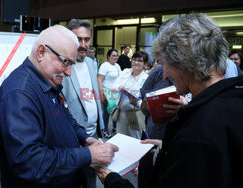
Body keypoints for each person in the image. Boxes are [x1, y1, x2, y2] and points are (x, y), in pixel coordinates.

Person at [95, 13, 243, 188]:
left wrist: (113, 181)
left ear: (184, 60)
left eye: (164, 63)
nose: (164, 75)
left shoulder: (199, 130)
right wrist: (168, 148)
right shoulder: (233, 101)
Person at [0, 25, 119, 188]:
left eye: (71, 64)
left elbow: (68, 120)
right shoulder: (19, 94)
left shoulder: (47, 81)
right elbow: (29, 162)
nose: (68, 72)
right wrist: (88, 155)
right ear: (41, 52)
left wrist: (85, 138)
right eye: (65, 62)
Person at [62, 19, 105, 188]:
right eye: (78, 39)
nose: (83, 44)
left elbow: (92, 95)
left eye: (86, 39)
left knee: (91, 180)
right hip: (71, 139)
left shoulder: (89, 63)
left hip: (93, 135)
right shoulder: (61, 65)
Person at [112, 51, 149, 139]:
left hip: (136, 112)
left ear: (145, 64)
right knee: (120, 138)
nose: (136, 62)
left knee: (135, 139)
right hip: (122, 110)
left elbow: (145, 99)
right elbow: (113, 87)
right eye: (134, 60)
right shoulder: (125, 72)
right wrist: (120, 87)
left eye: (140, 61)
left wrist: (135, 99)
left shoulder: (146, 78)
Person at [98, 49, 121, 138]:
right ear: (108, 57)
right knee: (107, 112)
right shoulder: (105, 65)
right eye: (113, 55)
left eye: (116, 55)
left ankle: (115, 128)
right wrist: (101, 93)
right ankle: (105, 131)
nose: (115, 57)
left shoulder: (117, 66)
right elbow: (99, 80)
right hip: (106, 91)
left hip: (116, 92)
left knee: (116, 110)